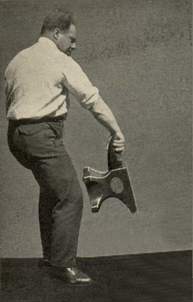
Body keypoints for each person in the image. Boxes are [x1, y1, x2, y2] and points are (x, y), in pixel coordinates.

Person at [5, 9, 126, 284]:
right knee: (70, 196)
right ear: (56, 33)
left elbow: (10, 103)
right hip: (41, 135)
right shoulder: (60, 60)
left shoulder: (16, 60)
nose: (74, 45)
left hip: (16, 136)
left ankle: (51, 257)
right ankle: (62, 265)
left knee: (52, 190)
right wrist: (116, 131)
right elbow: (92, 100)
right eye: (71, 39)